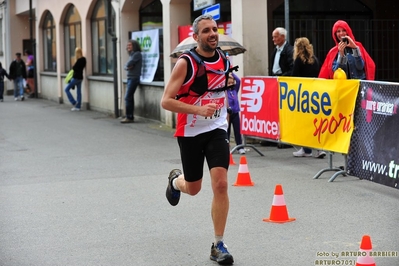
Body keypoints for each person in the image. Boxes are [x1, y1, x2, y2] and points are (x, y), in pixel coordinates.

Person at [160, 14, 234, 265]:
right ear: (195, 37)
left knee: (221, 184)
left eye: (215, 29)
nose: (213, 34)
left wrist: (229, 82)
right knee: (193, 188)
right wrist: (198, 110)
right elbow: (166, 101)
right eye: (206, 31)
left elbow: (221, 87)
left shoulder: (224, 59)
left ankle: (218, 244)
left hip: (217, 128)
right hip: (190, 130)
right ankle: (175, 180)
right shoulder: (185, 63)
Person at [291, 37, 326, 159]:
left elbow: (294, 76)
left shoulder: (298, 61)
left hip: (303, 95)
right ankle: (320, 148)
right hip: (315, 94)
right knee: (315, 122)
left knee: (304, 123)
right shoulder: (314, 60)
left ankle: (306, 149)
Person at [262, 27, 294, 148]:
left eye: (275, 36)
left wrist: (282, 78)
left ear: (282, 37)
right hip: (274, 81)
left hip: (283, 82)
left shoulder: (289, 50)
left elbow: (291, 68)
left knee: (284, 111)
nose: (273, 39)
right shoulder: (275, 50)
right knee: (273, 109)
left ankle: (285, 138)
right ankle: (272, 136)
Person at [121, 40, 142, 123]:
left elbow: (129, 63)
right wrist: (127, 67)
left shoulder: (137, 54)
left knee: (127, 97)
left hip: (134, 78)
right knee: (129, 97)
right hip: (130, 78)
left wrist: (127, 66)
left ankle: (129, 117)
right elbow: (126, 65)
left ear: (134, 46)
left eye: (130, 45)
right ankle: (130, 116)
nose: (128, 47)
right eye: (128, 45)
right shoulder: (132, 54)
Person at [227, 73, 245, 155]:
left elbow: (238, 80)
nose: (230, 85)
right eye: (228, 83)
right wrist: (226, 74)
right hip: (228, 114)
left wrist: (231, 73)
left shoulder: (235, 90)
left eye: (231, 83)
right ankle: (226, 147)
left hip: (235, 113)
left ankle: (240, 147)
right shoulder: (225, 91)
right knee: (227, 131)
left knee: (237, 130)